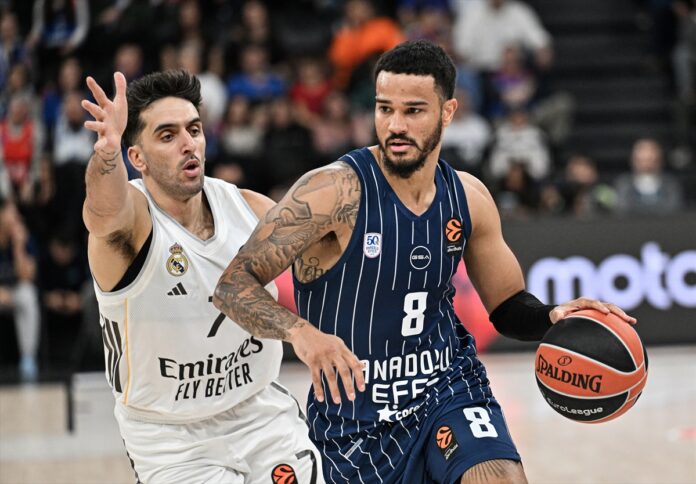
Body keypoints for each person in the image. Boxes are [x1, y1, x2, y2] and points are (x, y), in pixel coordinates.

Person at [213, 40, 637, 483]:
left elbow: (507, 306)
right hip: (353, 420)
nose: (395, 125)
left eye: (413, 111)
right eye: (384, 109)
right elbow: (232, 285)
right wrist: (301, 334)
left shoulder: (468, 197)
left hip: (446, 389)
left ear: (448, 112)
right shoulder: (331, 192)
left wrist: (552, 316)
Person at [80, 69, 322, 483]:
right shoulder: (131, 226)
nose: (188, 143)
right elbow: (103, 213)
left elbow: (328, 265)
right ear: (136, 158)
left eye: (193, 130)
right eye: (167, 135)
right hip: (169, 436)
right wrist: (106, 155)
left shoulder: (249, 209)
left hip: (258, 414)